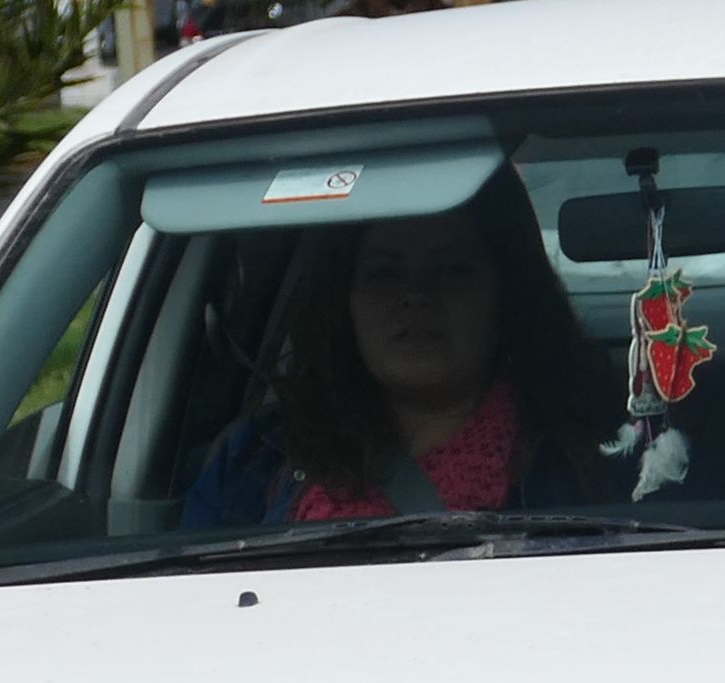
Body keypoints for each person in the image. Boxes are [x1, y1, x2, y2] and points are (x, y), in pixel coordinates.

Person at [180, 175, 613, 526]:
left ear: (506, 293)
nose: (415, 295)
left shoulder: (594, 455)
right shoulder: (256, 459)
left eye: (451, 270)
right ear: (344, 302)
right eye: (384, 273)